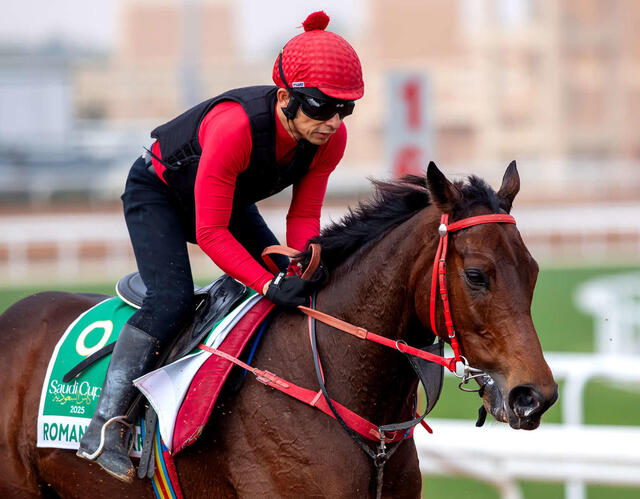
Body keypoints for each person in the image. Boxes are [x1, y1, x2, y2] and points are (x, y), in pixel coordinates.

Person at [77, 11, 364, 482]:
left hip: (225, 199)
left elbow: (303, 217)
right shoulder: (235, 128)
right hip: (160, 195)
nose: (333, 121)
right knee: (171, 301)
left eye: (345, 109)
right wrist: (268, 283)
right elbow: (211, 232)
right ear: (287, 97)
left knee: (296, 285)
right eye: (321, 106)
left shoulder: (328, 138)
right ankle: (106, 424)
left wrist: (303, 264)